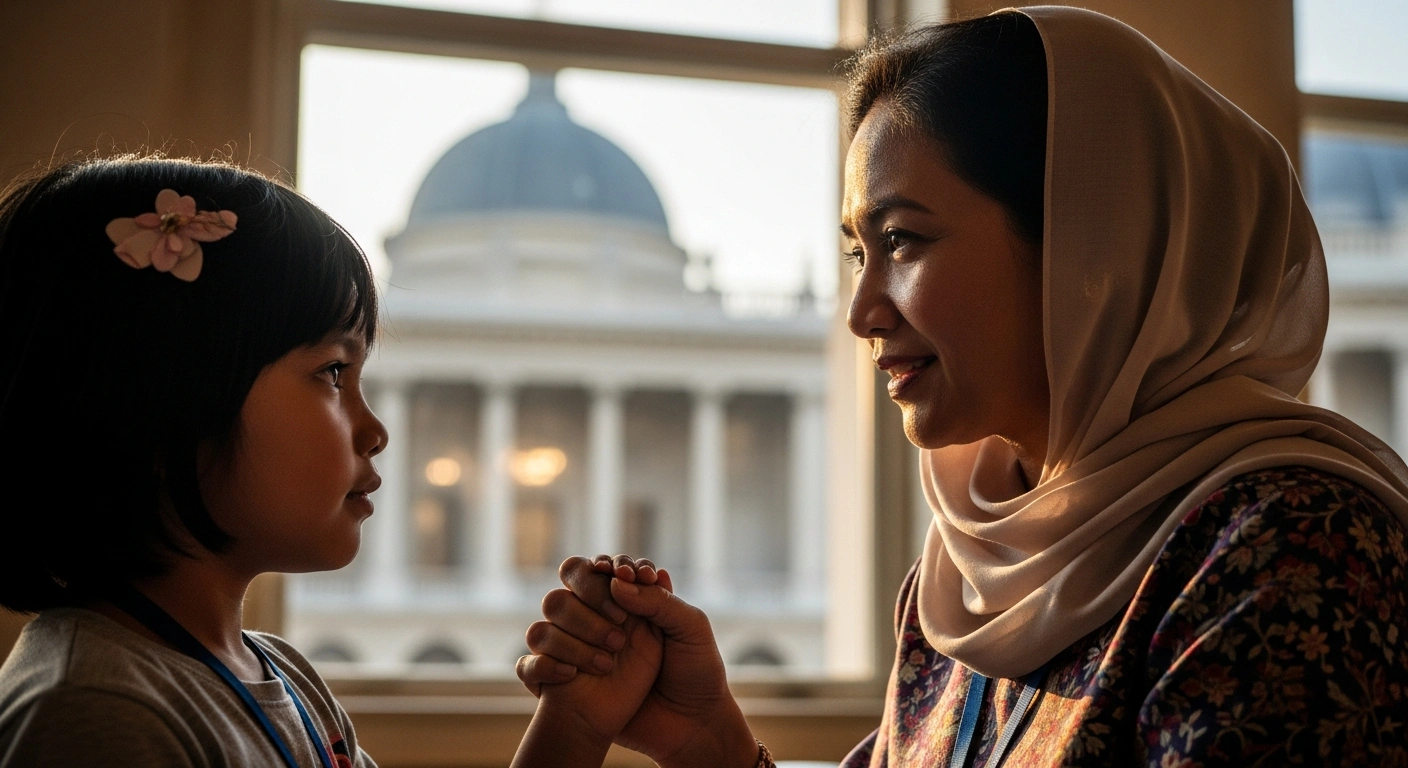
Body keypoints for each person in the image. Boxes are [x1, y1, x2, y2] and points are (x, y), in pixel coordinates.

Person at [516, 7, 1408, 767]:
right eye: (858, 254)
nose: (862, 311)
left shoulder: (1297, 543)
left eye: (903, 241)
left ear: (1088, 246)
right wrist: (711, 742)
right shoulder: (966, 568)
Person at [0, 155, 654, 768]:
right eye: (333, 372)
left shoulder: (278, 674)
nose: (375, 431)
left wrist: (573, 724)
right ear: (161, 405)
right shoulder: (98, 714)